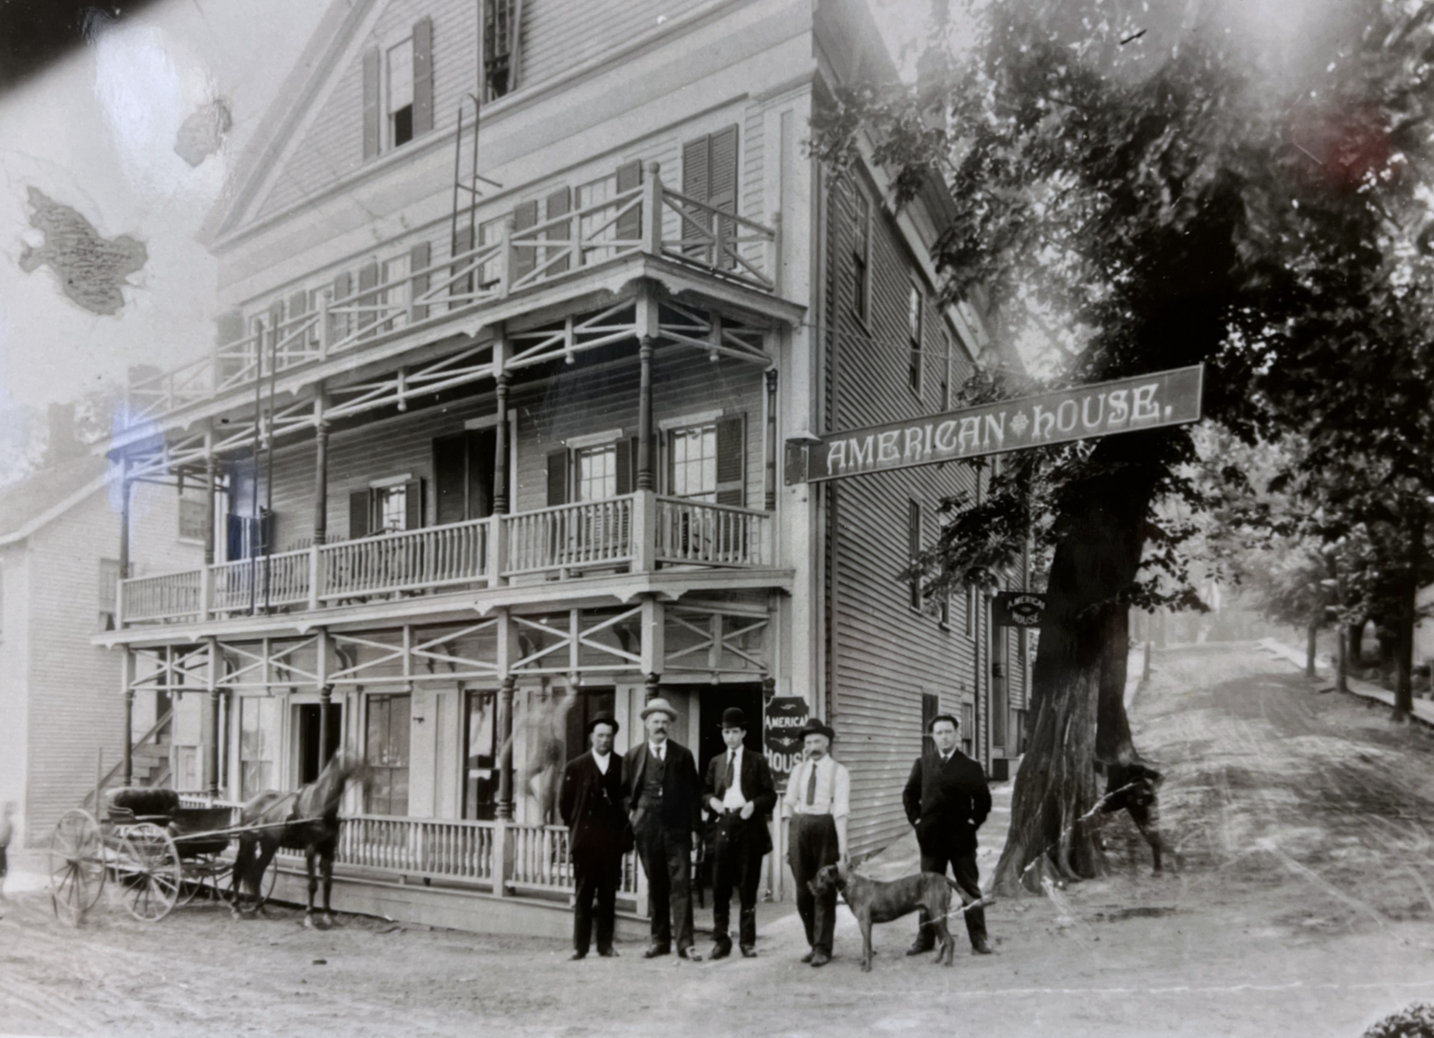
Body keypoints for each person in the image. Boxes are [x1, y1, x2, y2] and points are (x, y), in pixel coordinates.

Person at [902, 713, 993, 956]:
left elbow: (983, 801)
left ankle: (979, 939)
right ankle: (925, 939)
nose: (944, 737)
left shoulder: (970, 766)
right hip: (931, 839)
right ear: (933, 736)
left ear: (956, 734)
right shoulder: (923, 764)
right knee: (928, 890)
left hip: (961, 839)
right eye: (939, 733)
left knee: (969, 888)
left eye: (948, 732)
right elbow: (909, 795)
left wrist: (972, 823)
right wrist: (918, 822)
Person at [622, 697, 704, 961]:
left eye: (664, 722)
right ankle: (659, 941)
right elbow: (624, 792)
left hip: (676, 828)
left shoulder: (683, 755)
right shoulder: (633, 755)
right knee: (656, 885)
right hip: (646, 827)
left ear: (670, 725)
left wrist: (694, 829)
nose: (660, 726)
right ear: (647, 724)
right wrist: (633, 816)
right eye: (655, 721)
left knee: (680, 885)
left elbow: (693, 794)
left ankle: (685, 944)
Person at [703, 707, 777, 959]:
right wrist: (711, 802)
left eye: (735, 731)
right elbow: (704, 792)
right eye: (726, 732)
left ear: (743, 732)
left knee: (748, 886)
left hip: (748, 826)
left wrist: (753, 805)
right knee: (720, 886)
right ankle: (721, 940)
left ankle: (747, 941)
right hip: (723, 824)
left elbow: (770, 795)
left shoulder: (757, 760)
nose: (730, 737)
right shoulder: (716, 761)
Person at [558, 712, 629, 960]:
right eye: (600, 736)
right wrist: (579, 827)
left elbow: (627, 803)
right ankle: (580, 947)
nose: (604, 741)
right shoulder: (575, 766)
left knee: (608, 895)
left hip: (611, 842)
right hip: (585, 842)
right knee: (584, 894)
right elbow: (565, 806)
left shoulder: (622, 765)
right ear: (591, 737)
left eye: (609, 736)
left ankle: (605, 945)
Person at [782, 718, 849, 967]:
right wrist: (787, 842)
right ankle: (813, 943)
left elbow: (841, 812)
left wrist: (842, 850)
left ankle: (823, 948)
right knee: (802, 892)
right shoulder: (797, 770)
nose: (812, 746)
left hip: (826, 829)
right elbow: (788, 804)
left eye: (817, 741)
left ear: (827, 743)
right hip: (799, 829)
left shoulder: (839, 772)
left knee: (823, 891)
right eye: (808, 742)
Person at [0, 802, 13, 901]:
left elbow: (8, 838)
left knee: (4, 871)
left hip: (3, 849)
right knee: (2, 870)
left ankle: (1, 891)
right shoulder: (4, 823)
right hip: (1, 848)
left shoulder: (9, 824)